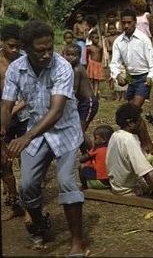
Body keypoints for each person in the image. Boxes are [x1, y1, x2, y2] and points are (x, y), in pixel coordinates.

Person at [0, 21, 86, 256]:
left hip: (65, 131)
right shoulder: (16, 69)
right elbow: (6, 106)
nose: (47, 54)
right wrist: (2, 128)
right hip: (36, 133)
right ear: (26, 48)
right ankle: (40, 224)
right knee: (27, 186)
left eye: (50, 47)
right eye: (40, 50)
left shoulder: (63, 67)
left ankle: (77, 241)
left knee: (67, 182)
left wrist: (26, 136)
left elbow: (56, 111)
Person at [106, 103, 153, 211]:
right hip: (128, 189)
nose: (142, 124)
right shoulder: (129, 140)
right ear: (130, 123)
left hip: (116, 185)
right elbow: (147, 172)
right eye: (140, 120)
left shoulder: (116, 135)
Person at [109, 8, 153, 154]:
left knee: (131, 112)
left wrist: (151, 76)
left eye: (129, 23)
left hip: (144, 77)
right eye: (123, 23)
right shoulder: (119, 41)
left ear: (135, 23)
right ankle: (146, 144)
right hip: (131, 78)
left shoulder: (143, 39)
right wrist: (117, 75)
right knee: (134, 115)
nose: (126, 26)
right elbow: (114, 63)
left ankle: (141, 146)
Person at [0, 23, 27, 221]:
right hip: (4, 118)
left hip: (24, 116)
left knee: (26, 160)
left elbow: (30, 96)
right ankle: (13, 202)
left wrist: (11, 110)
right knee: (4, 163)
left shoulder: (25, 60)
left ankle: (29, 203)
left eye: (17, 46)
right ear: (2, 43)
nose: (14, 50)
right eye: (11, 46)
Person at [62, 43, 98, 153]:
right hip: (83, 103)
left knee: (78, 131)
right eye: (67, 55)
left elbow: (73, 90)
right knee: (77, 130)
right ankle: (86, 153)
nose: (69, 58)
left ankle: (94, 153)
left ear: (79, 56)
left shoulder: (76, 70)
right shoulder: (71, 69)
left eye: (73, 55)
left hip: (88, 103)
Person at [79, 125, 114, 190]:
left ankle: (84, 186)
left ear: (103, 140)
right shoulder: (112, 148)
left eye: (95, 138)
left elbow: (81, 160)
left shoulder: (97, 149)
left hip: (100, 182)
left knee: (81, 167)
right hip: (111, 182)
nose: (94, 140)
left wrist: (87, 153)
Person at [86, 31, 104, 97]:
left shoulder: (100, 47)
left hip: (98, 65)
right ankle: (91, 92)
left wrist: (101, 64)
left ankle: (95, 94)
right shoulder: (89, 47)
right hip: (92, 64)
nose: (96, 40)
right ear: (91, 39)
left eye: (97, 38)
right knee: (91, 80)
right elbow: (86, 56)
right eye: (95, 38)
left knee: (96, 80)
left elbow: (101, 55)